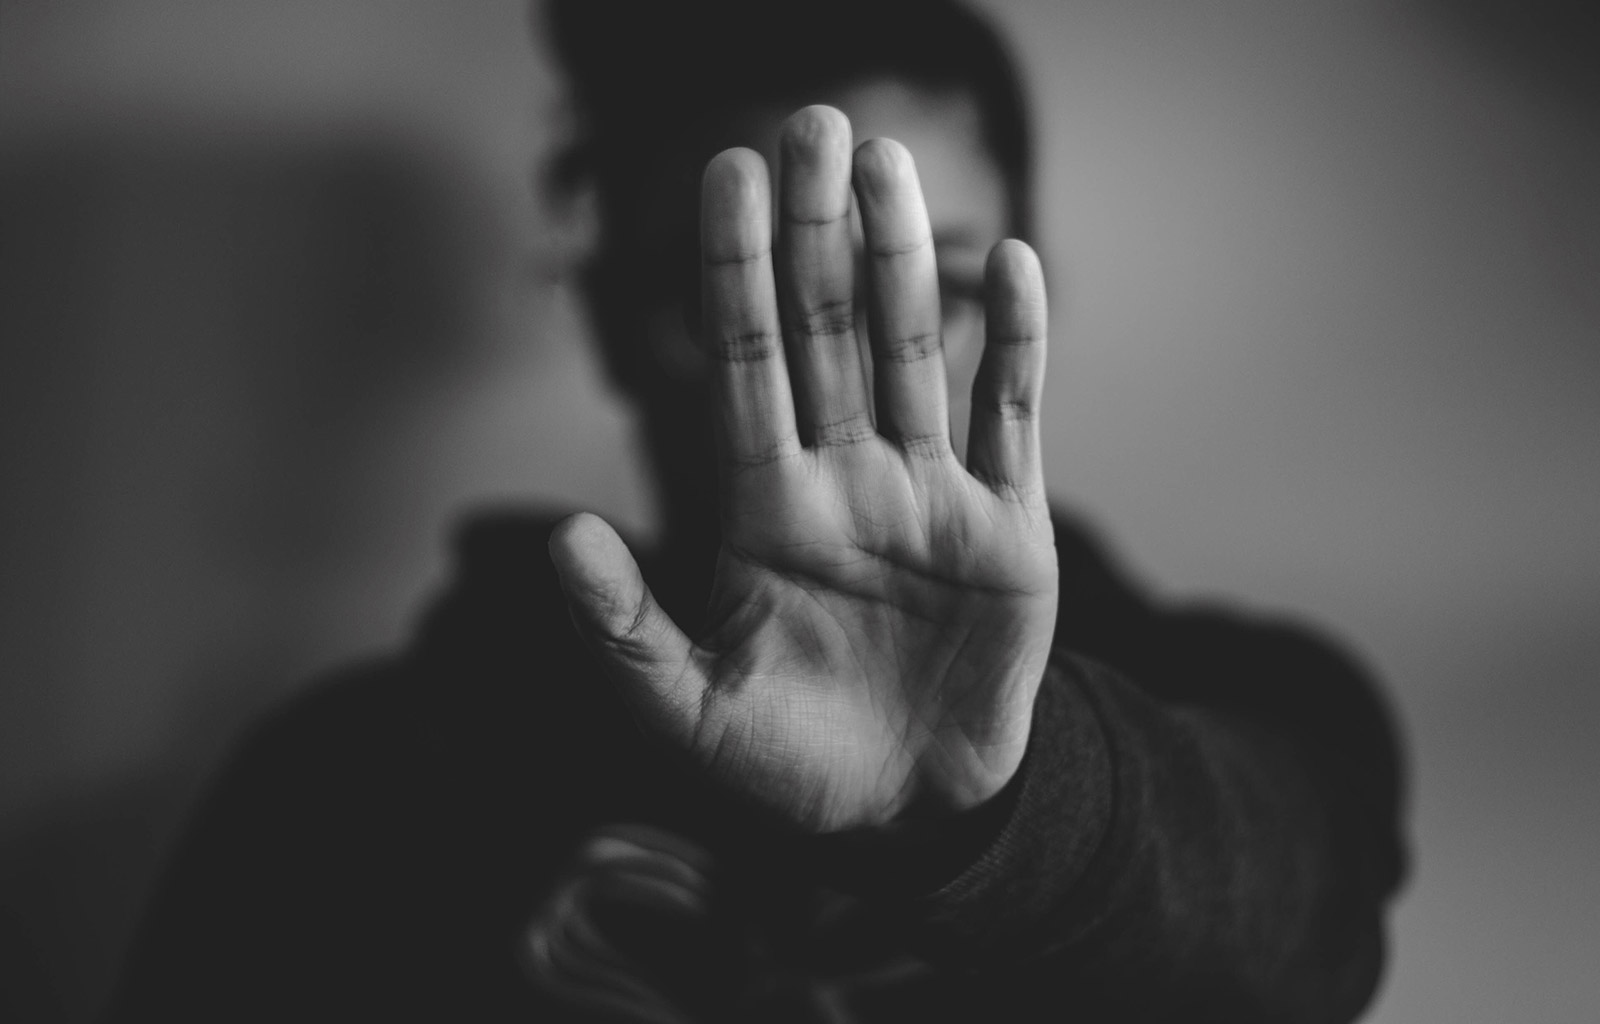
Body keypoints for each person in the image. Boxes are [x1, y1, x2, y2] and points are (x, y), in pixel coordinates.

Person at [108, 1, 1407, 1021]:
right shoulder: (346, 791)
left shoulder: (1255, 709)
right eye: (738, 297)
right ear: (612, 327)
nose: (844, 366)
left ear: (1035, 297)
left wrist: (1009, 801)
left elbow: (1298, 935)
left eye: (934, 288)